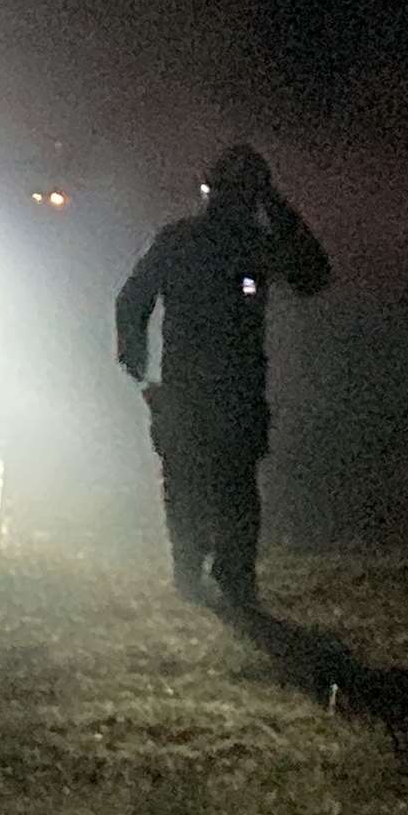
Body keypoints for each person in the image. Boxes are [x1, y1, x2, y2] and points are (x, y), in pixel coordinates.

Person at [114, 144, 330, 606]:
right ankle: (214, 574)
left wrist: (136, 362)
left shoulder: (202, 241)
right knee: (217, 484)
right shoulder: (214, 242)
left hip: (217, 388)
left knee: (204, 484)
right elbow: (133, 300)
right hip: (212, 388)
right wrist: (136, 362)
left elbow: (313, 276)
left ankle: (206, 573)